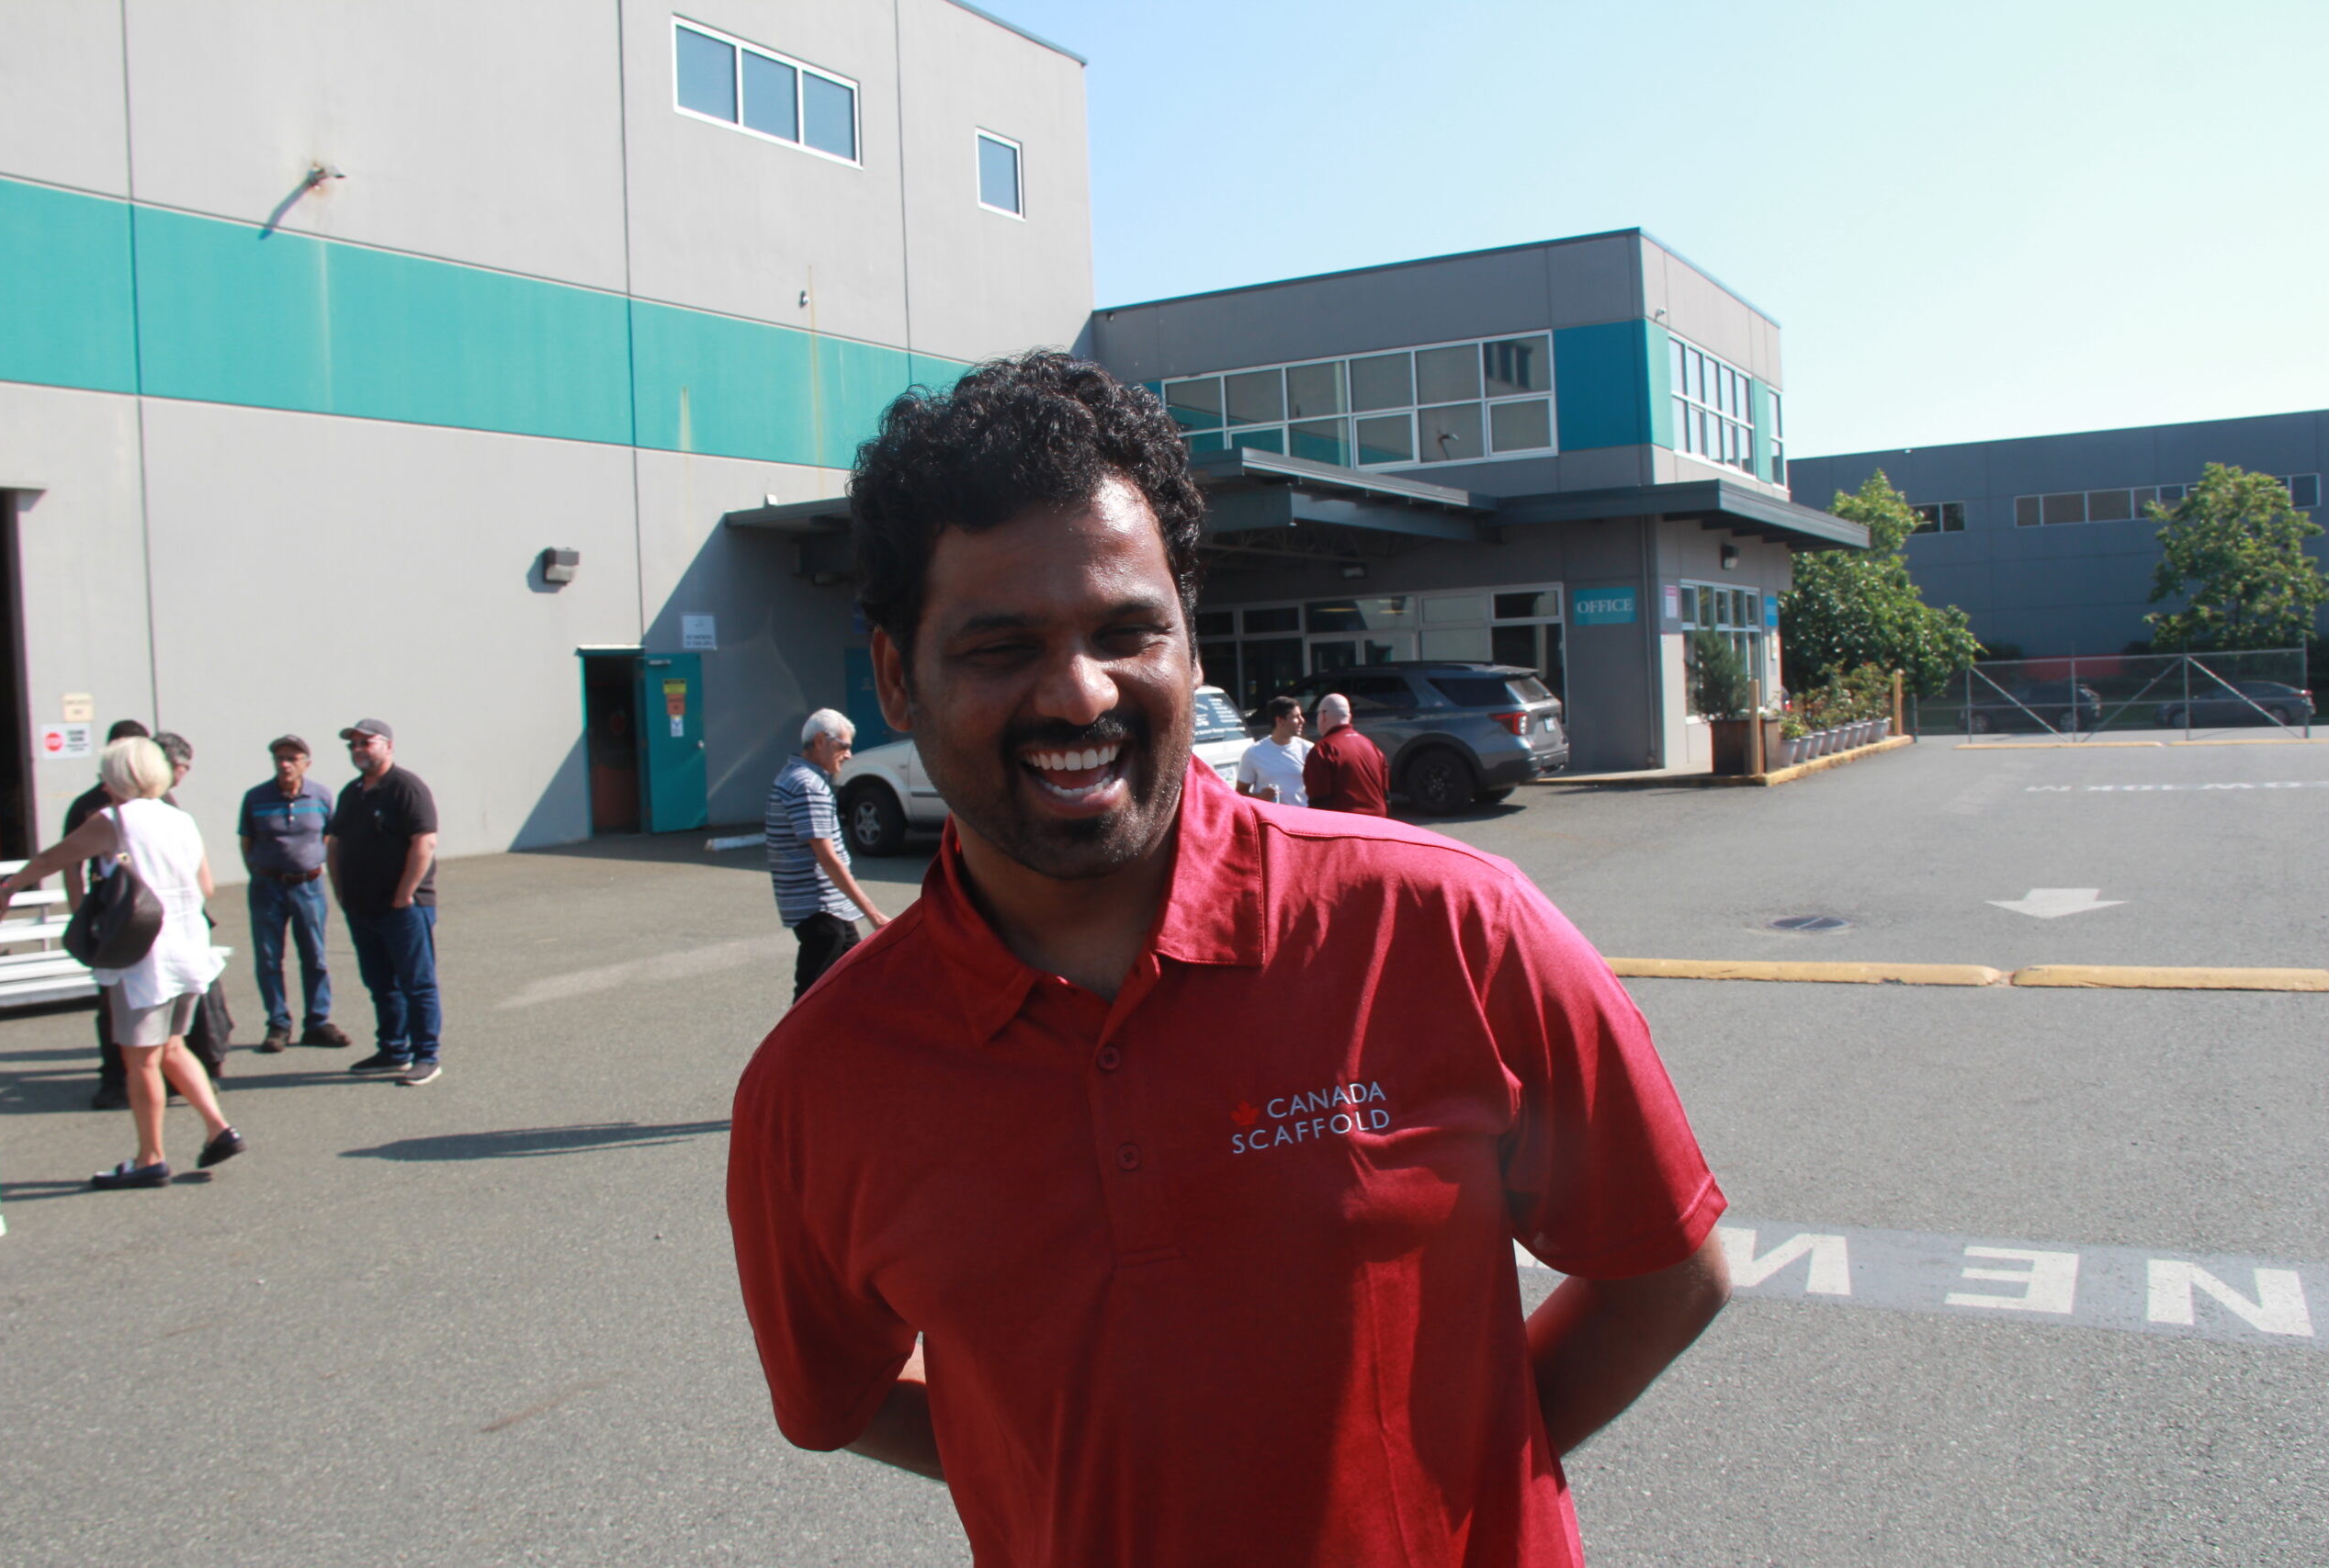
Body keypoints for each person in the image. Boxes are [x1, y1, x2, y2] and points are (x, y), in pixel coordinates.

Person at [725, 352, 1729, 1568]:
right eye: (1000, 645)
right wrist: (1053, 1464)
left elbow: (1665, 1269)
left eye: (1126, 630)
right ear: (898, 676)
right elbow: (831, 1399)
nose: (1078, 692)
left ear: (1191, 647)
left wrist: (1453, 1488)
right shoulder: (818, 1087)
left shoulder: (1447, 926)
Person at [0, 736, 244, 1188]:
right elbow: (205, 887)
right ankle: (219, 1128)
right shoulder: (181, 819)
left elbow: (52, 858)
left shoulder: (115, 821)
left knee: (140, 1060)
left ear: (118, 777)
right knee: (173, 1047)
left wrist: (7, 889)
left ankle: (150, 1158)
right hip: (189, 950)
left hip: (142, 956)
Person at [325, 719, 443, 1086]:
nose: (358, 750)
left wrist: (405, 894)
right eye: (353, 745)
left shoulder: (406, 787)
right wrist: (341, 891)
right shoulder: (353, 792)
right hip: (362, 907)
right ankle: (393, 1050)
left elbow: (424, 842)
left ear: (388, 746)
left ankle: (426, 1056)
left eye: (367, 742)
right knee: (380, 983)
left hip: (403, 909)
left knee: (417, 983)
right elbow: (335, 842)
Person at [765, 709, 888, 1001]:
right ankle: (798, 1034)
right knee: (810, 998)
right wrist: (873, 914)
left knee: (854, 983)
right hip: (819, 907)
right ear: (821, 740)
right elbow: (827, 857)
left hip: (828, 908)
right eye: (844, 746)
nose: (849, 755)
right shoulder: (808, 786)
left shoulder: (796, 777)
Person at [238, 735, 348, 1053]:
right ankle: (278, 1024)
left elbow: (328, 837)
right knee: (269, 957)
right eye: (280, 759)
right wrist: (261, 872)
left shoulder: (321, 796)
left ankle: (318, 1022)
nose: (285, 764)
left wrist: (312, 865)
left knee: (315, 956)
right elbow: (247, 842)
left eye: (292, 758)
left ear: (306, 764)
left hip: (308, 886)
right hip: (267, 887)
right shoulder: (256, 798)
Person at [64, 718, 153, 1110]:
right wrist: (80, 914)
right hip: (109, 917)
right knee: (110, 1002)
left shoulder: (159, 805)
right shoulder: (89, 807)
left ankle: (162, 1077)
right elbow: (68, 863)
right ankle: (114, 1078)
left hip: (151, 916)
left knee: (157, 999)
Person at [153, 731, 234, 1079]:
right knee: (189, 1002)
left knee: (189, 1007)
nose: (184, 774)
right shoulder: (162, 810)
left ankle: (204, 1066)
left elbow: (204, 884)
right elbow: (204, 884)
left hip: (172, 925)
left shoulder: (164, 809)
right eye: (183, 767)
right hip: (173, 924)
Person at [1302, 690, 1391, 816]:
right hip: (1377, 820)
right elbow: (1386, 796)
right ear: (1349, 717)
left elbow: (1319, 802)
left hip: (1344, 822)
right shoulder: (1372, 747)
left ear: (1323, 716)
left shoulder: (1323, 749)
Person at [1233, 694, 1312, 807]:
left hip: (1302, 815)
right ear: (1280, 721)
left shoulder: (1309, 749)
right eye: (1296, 717)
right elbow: (1240, 792)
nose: (1302, 721)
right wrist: (1259, 797)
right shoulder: (1254, 753)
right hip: (1271, 816)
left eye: (1301, 716)